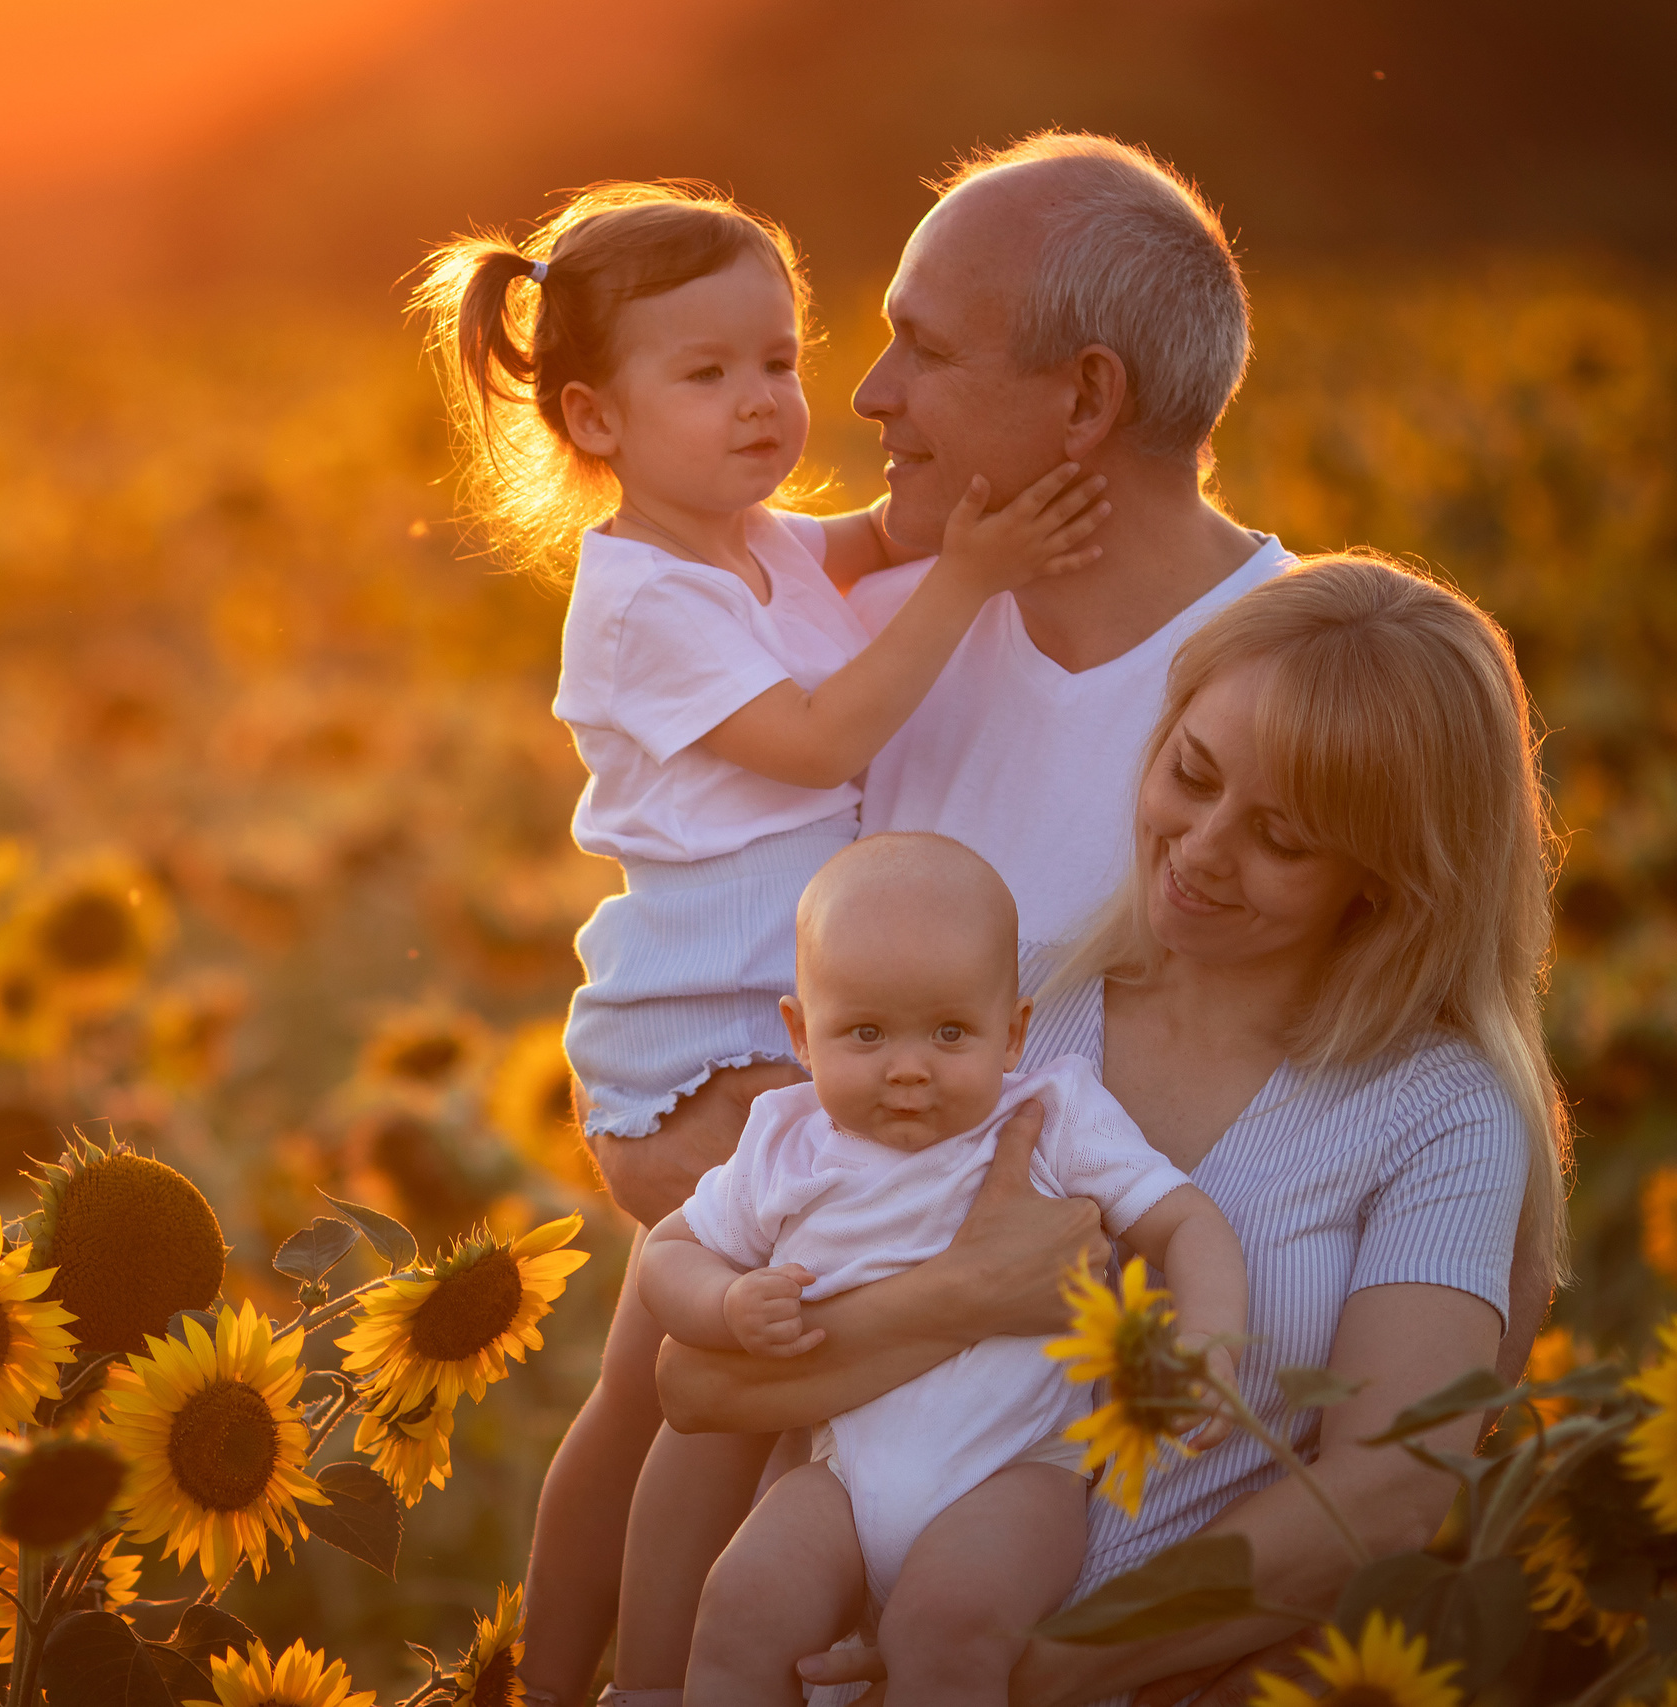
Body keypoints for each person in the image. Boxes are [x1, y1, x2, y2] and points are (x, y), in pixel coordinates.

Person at [530, 134, 1306, 1707]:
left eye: (918, 346)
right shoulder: (830, 616)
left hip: (1028, 1496)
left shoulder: (1301, 696)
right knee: (660, 1409)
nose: (857, 396)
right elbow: (805, 750)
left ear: (1084, 403)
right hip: (736, 1101)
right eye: (722, 368)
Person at [409, 178, 1108, 1703]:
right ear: (593, 419)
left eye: (779, 361)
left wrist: (1012, 480)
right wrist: (974, 576)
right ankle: (648, 1679)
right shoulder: (641, 598)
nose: (764, 403)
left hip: (751, 1028)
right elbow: (817, 734)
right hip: (697, 1056)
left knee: (641, 1401)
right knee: (713, 1401)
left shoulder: (756, 547)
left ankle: (562, 1672)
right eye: (706, 373)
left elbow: (877, 530)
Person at [660, 555, 1567, 1706]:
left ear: (1389, 880)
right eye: (1191, 773)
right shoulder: (994, 1013)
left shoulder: (1438, 1113)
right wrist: (964, 1300)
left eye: (1281, 839)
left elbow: (1387, 1491)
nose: (1199, 848)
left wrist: (1025, 1667)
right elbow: (704, 1388)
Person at [635, 834, 1246, 1706]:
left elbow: (1187, 1219)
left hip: (1020, 1469)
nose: (909, 1067)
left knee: (945, 1632)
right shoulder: (783, 1141)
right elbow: (668, 1250)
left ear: (1014, 1031)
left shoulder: (1050, 1111)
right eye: (867, 1032)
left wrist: (1209, 1343)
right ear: (802, 1033)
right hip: (844, 1478)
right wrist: (725, 1301)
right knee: (740, 1603)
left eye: (950, 1031)